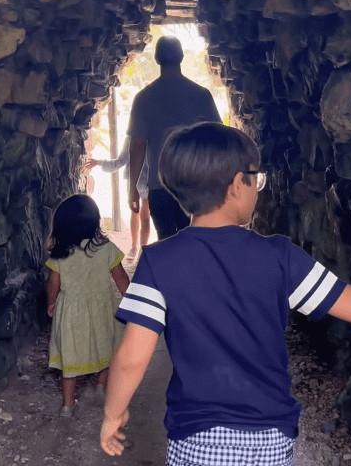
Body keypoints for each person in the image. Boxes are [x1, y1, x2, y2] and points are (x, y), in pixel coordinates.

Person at [99, 122, 351, 463]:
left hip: (197, 436)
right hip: (269, 434)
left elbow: (133, 356)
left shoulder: (158, 261)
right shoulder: (278, 256)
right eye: (257, 178)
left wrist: (113, 414)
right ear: (239, 185)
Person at [45, 194, 131, 418]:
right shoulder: (106, 249)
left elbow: (53, 282)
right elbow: (121, 278)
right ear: (95, 222)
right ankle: (101, 387)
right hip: (102, 311)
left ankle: (67, 405)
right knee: (105, 346)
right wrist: (132, 301)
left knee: (70, 357)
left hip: (71, 313)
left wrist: (51, 303)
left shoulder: (61, 253)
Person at [127, 36, 220, 240]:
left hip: (160, 187)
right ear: (182, 57)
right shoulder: (201, 95)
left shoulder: (144, 98)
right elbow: (217, 139)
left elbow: (138, 146)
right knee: (195, 243)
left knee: (167, 243)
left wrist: (132, 188)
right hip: (195, 184)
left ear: (157, 59)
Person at [85, 138, 151, 255]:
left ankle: (134, 247)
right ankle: (142, 249)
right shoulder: (153, 135)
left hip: (133, 180)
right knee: (145, 214)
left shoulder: (132, 138)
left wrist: (99, 162)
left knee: (135, 212)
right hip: (147, 180)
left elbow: (120, 161)